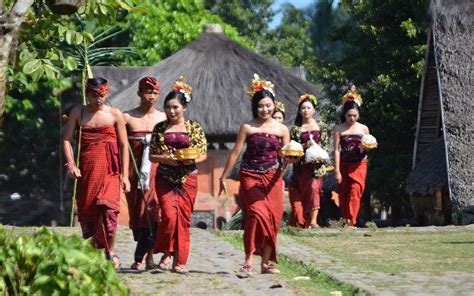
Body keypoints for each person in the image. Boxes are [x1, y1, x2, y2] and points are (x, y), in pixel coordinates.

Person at [219, 74, 290, 274]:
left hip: (274, 178)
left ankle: (265, 263)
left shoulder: (282, 129)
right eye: (260, 106)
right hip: (250, 176)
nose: (265, 109)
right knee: (256, 215)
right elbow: (235, 153)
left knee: (273, 220)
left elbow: (286, 155)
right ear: (254, 107)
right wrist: (223, 176)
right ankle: (248, 259)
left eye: (268, 105)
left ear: (274, 105)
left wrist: (289, 162)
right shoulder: (248, 127)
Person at [63, 77, 130, 269]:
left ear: (106, 94)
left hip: (110, 171)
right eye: (93, 95)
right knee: (90, 212)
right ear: (87, 94)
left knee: (109, 211)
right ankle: (95, 254)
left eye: (101, 95)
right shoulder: (78, 112)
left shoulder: (115, 115)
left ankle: (111, 252)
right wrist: (71, 164)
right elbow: (66, 140)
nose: (98, 99)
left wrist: (125, 175)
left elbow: (124, 145)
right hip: (87, 172)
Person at [149, 76, 207, 274]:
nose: (171, 111)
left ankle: (179, 260)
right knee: (169, 216)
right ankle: (167, 251)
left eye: (175, 107)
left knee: (182, 219)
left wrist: (191, 160)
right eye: (167, 107)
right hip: (164, 177)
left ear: (184, 108)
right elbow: (152, 155)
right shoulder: (159, 129)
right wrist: (165, 159)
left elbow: (203, 153)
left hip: (188, 178)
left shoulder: (194, 128)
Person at [123, 76, 166, 270]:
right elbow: (119, 146)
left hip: (158, 173)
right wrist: (123, 175)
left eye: (155, 93)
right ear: (139, 93)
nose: (152, 96)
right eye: (148, 92)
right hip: (135, 174)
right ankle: (143, 254)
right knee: (139, 215)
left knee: (154, 212)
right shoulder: (127, 117)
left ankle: (145, 257)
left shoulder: (164, 118)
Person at [288, 94, 329, 229]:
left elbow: (325, 145)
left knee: (314, 189)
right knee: (305, 194)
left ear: (314, 110)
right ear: (299, 111)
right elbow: (292, 148)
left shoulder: (321, 127)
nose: (305, 110)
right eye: (303, 108)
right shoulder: (295, 129)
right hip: (301, 167)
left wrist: (320, 155)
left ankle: (313, 221)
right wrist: (304, 147)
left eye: (308, 108)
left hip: (316, 167)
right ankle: (305, 221)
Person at [333, 85, 369, 228]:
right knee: (344, 193)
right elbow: (336, 150)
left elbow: (368, 145)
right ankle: (346, 218)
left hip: (360, 164)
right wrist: (337, 171)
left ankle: (352, 221)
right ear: (344, 114)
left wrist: (365, 147)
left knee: (356, 191)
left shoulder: (363, 128)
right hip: (344, 163)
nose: (352, 118)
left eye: (354, 115)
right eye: (349, 115)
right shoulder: (338, 129)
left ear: (358, 114)